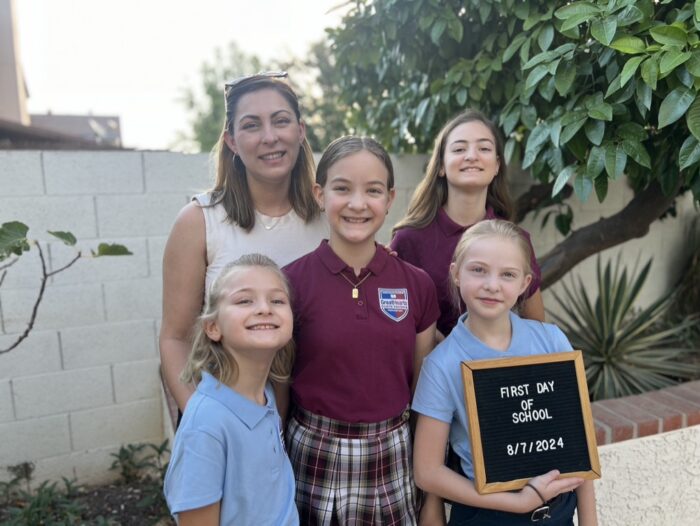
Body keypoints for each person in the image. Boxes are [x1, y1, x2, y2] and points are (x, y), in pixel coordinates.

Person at [283, 136, 443, 525]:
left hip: (392, 451)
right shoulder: (290, 282)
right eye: (342, 188)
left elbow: (425, 394)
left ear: (390, 199)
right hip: (311, 451)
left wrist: (432, 496)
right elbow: (279, 386)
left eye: (372, 191)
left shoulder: (416, 284)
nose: (357, 204)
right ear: (320, 194)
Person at [160, 72, 327, 412]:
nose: (269, 137)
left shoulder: (330, 217)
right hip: (231, 417)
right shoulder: (198, 221)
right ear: (232, 141)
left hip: (319, 426)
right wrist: (201, 420)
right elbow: (175, 339)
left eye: (281, 121)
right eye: (251, 125)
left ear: (301, 130)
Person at [412, 220, 597, 526]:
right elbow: (427, 471)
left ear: (525, 284)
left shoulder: (551, 341)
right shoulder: (441, 365)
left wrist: (589, 521)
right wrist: (518, 502)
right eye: (478, 270)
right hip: (488, 515)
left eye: (507, 275)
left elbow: (579, 444)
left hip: (559, 511)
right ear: (456, 273)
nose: (492, 285)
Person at [163, 254, 299, 525]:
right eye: (244, 300)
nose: (264, 309)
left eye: (277, 300)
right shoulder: (206, 426)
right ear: (213, 327)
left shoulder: (266, 397)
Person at [391, 110, 545, 339]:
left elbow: (537, 326)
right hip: (429, 370)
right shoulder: (408, 240)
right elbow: (394, 322)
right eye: (459, 149)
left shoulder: (515, 240)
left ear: (496, 166)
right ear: (441, 166)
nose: (472, 156)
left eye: (483, 148)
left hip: (496, 371)